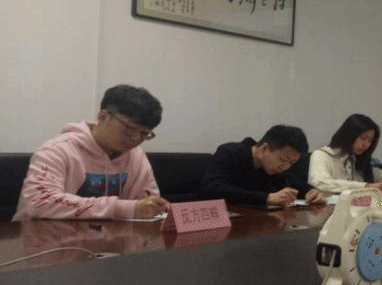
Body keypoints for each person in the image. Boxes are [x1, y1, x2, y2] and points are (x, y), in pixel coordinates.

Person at [14, 84, 169, 221]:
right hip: (42, 238)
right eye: (129, 129)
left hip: (107, 240)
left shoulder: (136, 156)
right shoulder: (57, 150)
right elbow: (39, 202)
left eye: (144, 134)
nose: (135, 139)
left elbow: (147, 203)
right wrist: (123, 208)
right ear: (103, 117)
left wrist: (155, 208)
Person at [199, 125, 326, 208]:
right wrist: (266, 198)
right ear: (265, 148)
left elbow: (293, 184)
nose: (286, 167)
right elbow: (212, 189)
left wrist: (312, 192)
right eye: (283, 160)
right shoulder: (230, 153)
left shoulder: (272, 167)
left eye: (292, 163)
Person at [308, 114, 382, 194]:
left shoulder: (358, 159)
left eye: (370, 141)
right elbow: (321, 182)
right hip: (326, 211)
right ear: (349, 135)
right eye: (363, 138)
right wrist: (364, 187)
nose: (366, 144)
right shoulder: (322, 155)